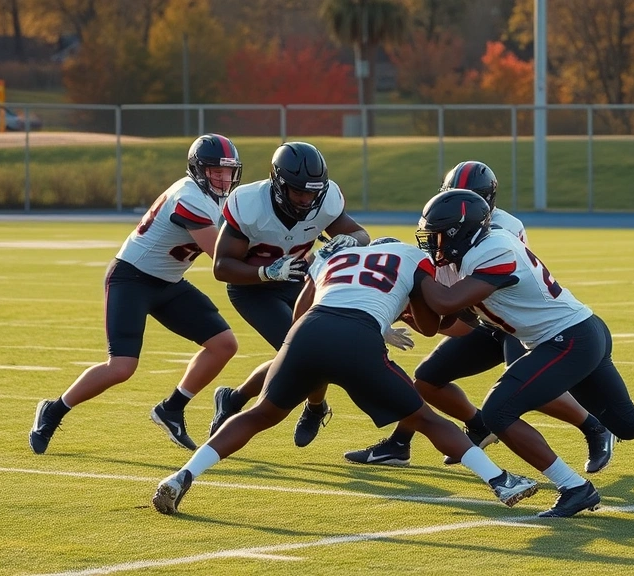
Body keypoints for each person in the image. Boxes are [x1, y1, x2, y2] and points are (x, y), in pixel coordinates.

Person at [413, 189, 634, 518]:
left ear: (463, 230)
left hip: (570, 338)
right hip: (571, 335)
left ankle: (574, 488)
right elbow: (445, 320)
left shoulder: (494, 247)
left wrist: (414, 277)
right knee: (629, 423)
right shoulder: (462, 258)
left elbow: (447, 301)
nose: (435, 242)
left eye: (441, 233)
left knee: (498, 410)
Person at [152, 237, 540, 514]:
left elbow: (298, 317)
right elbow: (427, 325)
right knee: (424, 418)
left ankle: (184, 474)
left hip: (309, 331)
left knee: (259, 415)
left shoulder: (331, 260)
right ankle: (500, 480)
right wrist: (389, 314)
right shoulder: (408, 255)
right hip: (357, 336)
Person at [344, 161, 615, 473]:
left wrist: (421, 300)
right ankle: (467, 428)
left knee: (523, 384)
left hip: (509, 316)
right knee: (428, 379)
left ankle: (594, 428)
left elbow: (458, 295)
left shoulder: (501, 230)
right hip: (480, 312)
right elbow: (439, 277)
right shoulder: (443, 221)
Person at [29, 134, 243, 454]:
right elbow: (221, 256)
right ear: (198, 170)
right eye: (216, 171)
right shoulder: (188, 197)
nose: (223, 178)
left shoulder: (218, 198)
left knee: (224, 344)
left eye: (228, 172)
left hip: (167, 282)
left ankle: (171, 409)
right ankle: (53, 410)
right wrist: (268, 268)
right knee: (121, 367)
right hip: (132, 278)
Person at [209, 141, 370, 448]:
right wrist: (265, 272)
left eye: (313, 192)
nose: (307, 199)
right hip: (252, 288)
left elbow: (361, 233)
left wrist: (350, 241)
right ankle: (314, 408)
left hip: (298, 280)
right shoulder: (250, 204)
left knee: (303, 351)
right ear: (278, 184)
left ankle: (235, 398)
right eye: (299, 191)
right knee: (307, 350)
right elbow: (222, 266)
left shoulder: (325, 201)